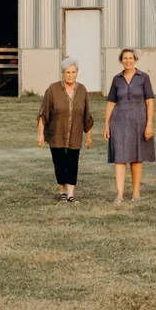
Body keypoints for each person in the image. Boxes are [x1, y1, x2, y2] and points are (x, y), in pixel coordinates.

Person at [36, 57, 94, 203]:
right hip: (57, 134)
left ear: (77, 73)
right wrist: (40, 134)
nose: (71, 75)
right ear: (63, 73)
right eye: (68, 72)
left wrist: (89, 136)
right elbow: (43, 113)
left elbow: (87, 115)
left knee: (72, 162)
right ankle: (62, 191)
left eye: (73, 72)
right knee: (59, 163)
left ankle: (71, 194)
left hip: (75, 134)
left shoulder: (82, 90)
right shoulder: (53, 89)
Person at [103, 48, 156, 203]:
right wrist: (106, 125)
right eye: (125, 58)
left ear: (135, 60)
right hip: (119, 123)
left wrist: (149, 124)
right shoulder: (116, 79)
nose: (128, 61)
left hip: (139, 122)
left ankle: (136, 194)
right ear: (121, 60)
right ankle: (119, 194)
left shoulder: (143, 78)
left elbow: (149, 102)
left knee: (136, 158)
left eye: (130, 58)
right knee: (119, 158)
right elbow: (111, 103)